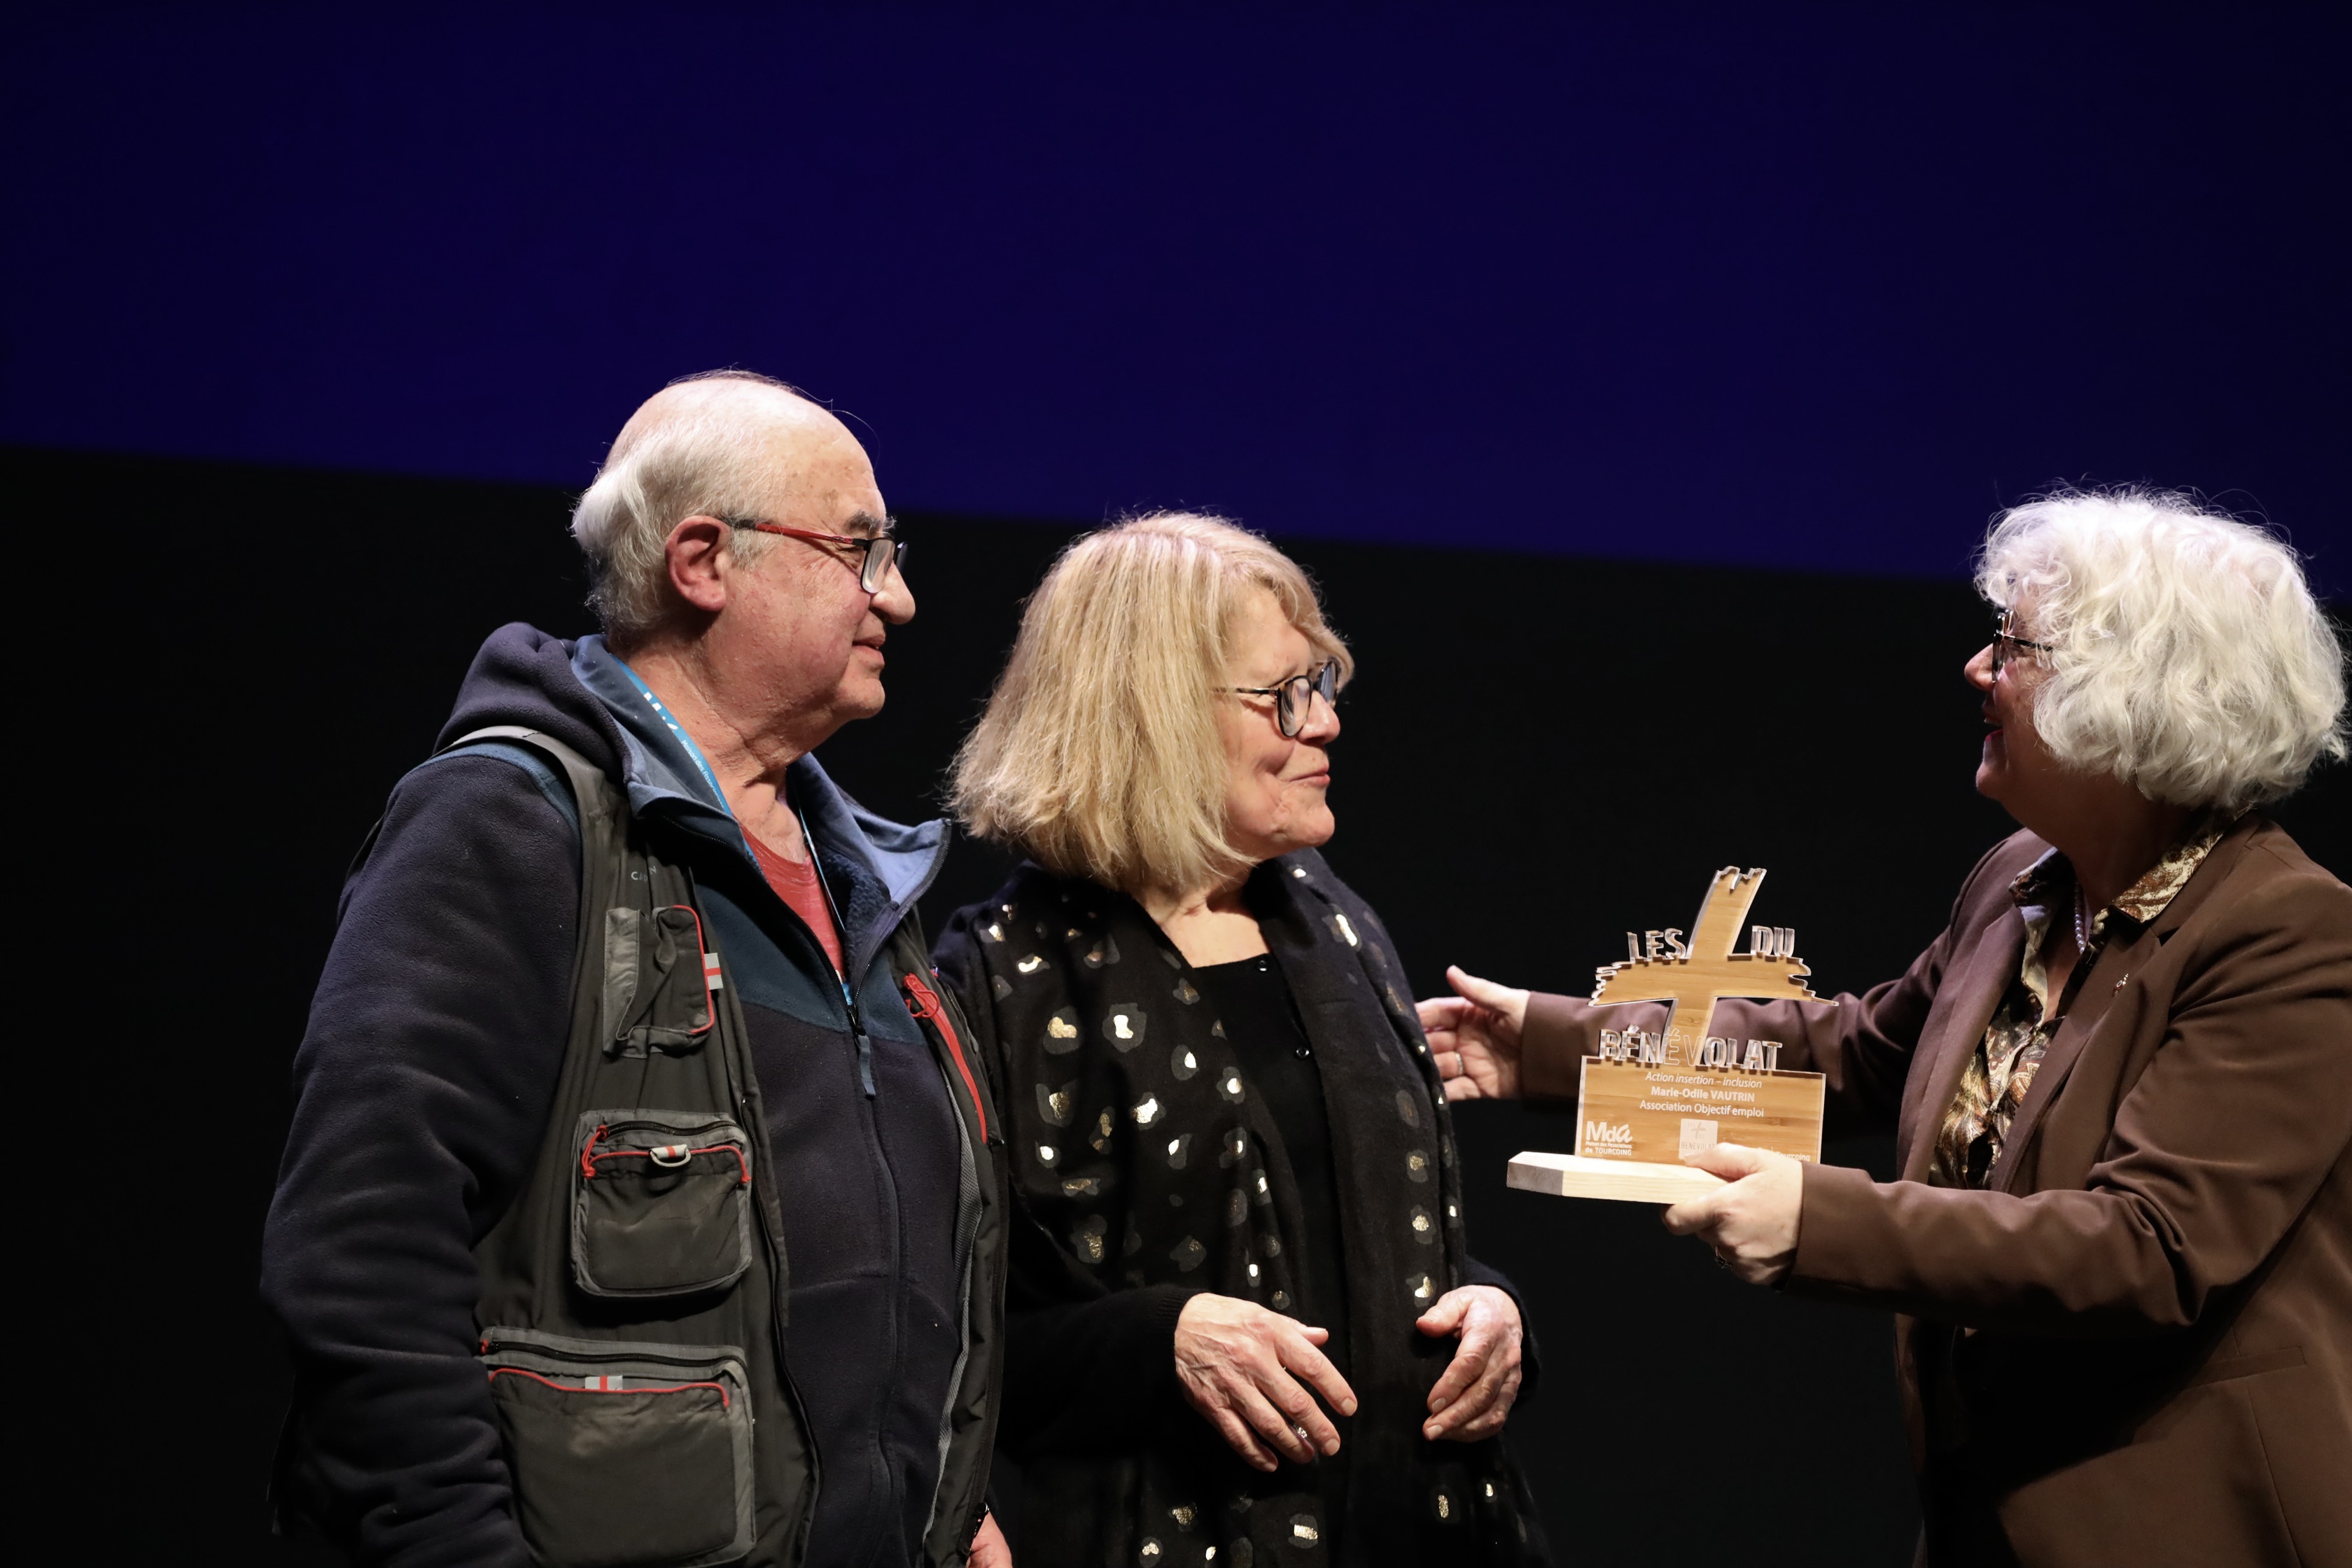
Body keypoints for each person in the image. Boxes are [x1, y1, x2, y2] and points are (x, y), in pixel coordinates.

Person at [1423, 489, 2351, 1566]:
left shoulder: (2290, 933)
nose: (1976, 668)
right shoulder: (2025, 880)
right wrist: (1558, 1043)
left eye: (2013, 647)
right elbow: (1862, 1054)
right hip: (1989, 1506)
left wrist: (1814, 1221)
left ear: (2140, 691)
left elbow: (2150, 1247)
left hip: (2180, 1526)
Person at [263, 371, 1014, 1568]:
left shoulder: (868, 888)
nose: (901, 597)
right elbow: (362, 1253)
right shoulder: (508, 822)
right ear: (703, 560)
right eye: (860, 550)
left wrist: (947, 1508)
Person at [934, 514, 1547, 1568]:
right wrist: (1162, 1341)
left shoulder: (1330, 923)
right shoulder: (1003, 976)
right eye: (1284, 695)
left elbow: (1360, 1244)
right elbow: (956, 1337)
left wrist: (1497, 1310)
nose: (1326, 724)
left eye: (1323, 686)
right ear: (1156, 715)